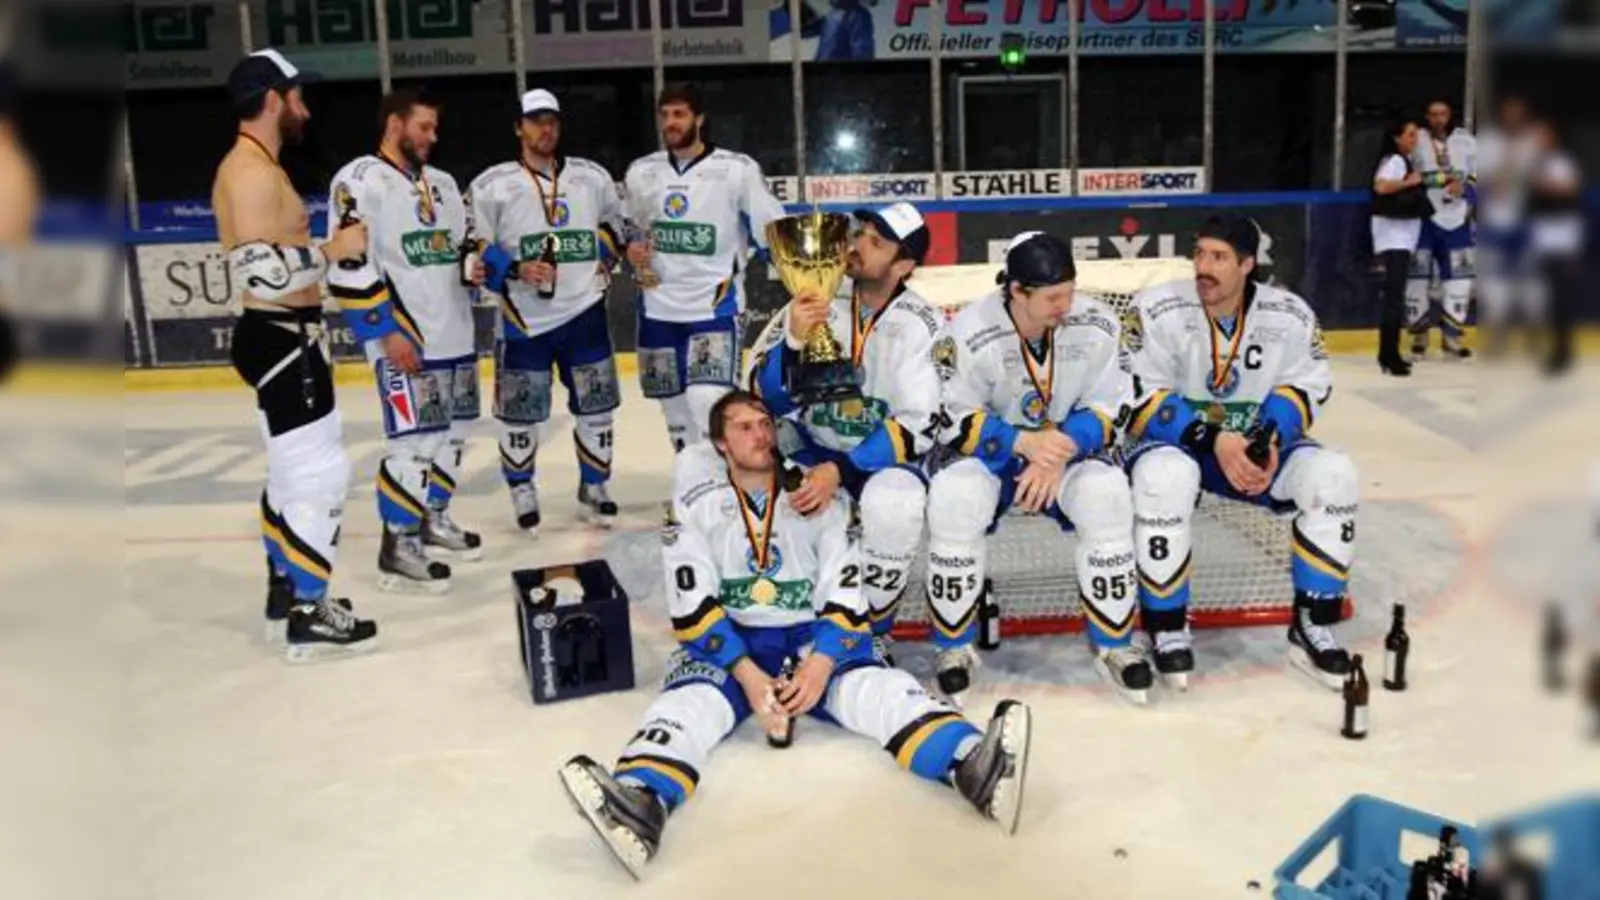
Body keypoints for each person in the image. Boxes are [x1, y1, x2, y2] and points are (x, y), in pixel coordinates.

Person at [557, 391, 1031, 880]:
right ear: (720, 444)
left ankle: (973, 765)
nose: (760, 434)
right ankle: (639, 802)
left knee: (882, 690)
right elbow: (691, 604)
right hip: (736, 639)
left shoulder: (820, 498)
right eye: (743, 427)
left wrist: (822, 662)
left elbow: (846, 592)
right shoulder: (694, 506)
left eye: (764, 423)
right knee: (689, 705)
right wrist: (747, 675)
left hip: (810, 635)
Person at [1123, 214, 1358, 691]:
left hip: (1254, 450)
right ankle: (1167, 627)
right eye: (1200, 254)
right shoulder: (1156, 309)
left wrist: (1268, 440)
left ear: (1248, 264)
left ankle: (1313, 623)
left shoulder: (1289, 315)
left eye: (1219, 258)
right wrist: (1214, 439)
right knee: (1163, 480)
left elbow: (1308, 384)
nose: (1203, 267)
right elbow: (1139, 393)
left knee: (1333, 475)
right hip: (1176, 447)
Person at [923, 232, 1144, 704]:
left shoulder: (1097, 322)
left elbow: (1116, 405)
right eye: (1052, 297)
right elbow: (950, 416)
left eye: (1070, 291)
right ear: (1016, 292)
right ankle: (953, 648)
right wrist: (1022, 442)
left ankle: (1114, 645)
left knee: (1107, 495)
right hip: (994, 456)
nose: (1066, 305)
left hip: (1066, 453)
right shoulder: (967, 331)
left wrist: (1057, 448)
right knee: (955, 498)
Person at [212, 49, 374, 659]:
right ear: (272, 98)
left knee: (292, 471)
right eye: (297, 94)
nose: (305, 106)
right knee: (319, 474)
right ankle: (309, 605)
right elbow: (264, 273)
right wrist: (334, 251)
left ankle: (287, 586)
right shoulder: (250, 173)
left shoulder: (257, 165)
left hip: (282, 336)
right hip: (282, 335)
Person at [743, 202, 941, 665]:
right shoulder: (816, 300)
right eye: (861, 233)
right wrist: (793, 340)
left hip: (882, 462)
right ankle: (789, 627)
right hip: (814, 450)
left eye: (876, 242)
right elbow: (761, 397)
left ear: (904, 265)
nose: (856, 246)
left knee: (894, 505)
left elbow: (919, 424)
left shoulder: (922, 326)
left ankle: (873, 631)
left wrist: (844, 470)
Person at [326, 87, 487, 595]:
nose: (432, 138)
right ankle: (398, 542)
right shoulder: (358, 180)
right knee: (413, 442)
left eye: (435, 129)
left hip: (455, 333)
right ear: (394, 124)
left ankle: (431, 517)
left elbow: (464, 246)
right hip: (406, 338)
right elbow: (349, 264)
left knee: (453, 436)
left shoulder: (441, 183)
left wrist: (482, 268)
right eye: (423, 128)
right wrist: (384, 332)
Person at [469, 88, 626, 535]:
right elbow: (474, 243)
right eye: (535, 121)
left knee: (597, 407)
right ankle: (522, 488)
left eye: (552, 121)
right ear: (519, 127)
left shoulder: (591, 178)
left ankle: (595, 485)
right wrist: (516, 268)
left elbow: (617, 222)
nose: (545, 129)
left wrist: (605, 251)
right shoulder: (491, 185)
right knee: (520, 412)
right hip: (525, 320)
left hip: (585, 311)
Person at [622, 83, 788, 453]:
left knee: (709, 400)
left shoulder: (736, 169)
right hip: (657, 310)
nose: (671, 122)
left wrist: (799, 275)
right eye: (664, 115)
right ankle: (691, 481)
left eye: (679, 114)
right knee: (674, 410)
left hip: (714, 307)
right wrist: (629, 248)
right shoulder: (641, 171)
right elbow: (629, 228)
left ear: (699, 118)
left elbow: (773, 232)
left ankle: (723, 481)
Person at [1407, 100, 1475, 360]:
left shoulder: (1466, 141)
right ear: (1426, 116)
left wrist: (1466, 189)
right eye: (1433, 114)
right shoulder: (1417, 139)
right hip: (1424, 220)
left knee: (1459, 281)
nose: (1438, 119)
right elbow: (1405, 173)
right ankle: (1419, 335)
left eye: (1443, 114)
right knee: (1416, 279)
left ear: (1450, 116)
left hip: (1458, 221)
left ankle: (1452, 337)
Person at [1370, 116, 1430, 376]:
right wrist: (1410, 182)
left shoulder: (1401, 160)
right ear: (1397, 137)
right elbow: (1381, 186)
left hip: (1400, 238)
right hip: (1394, 238)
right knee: (1393, 299)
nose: (1414, 140)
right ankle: (1389, 356)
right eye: (1410, 135)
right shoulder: (1394, 161)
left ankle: (1390, 354)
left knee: (1395, 297)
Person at [1525, 114, 1584, 375]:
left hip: (1562, 235)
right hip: (1542, 234)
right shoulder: (1536, 162)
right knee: (1547, 296)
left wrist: (1542, 185)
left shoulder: (1561, 160)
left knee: (1562, 295)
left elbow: (1569, 189)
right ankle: (1554, 346)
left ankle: (1563, 350)